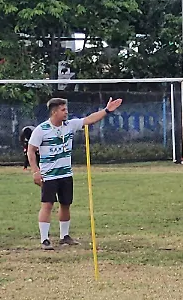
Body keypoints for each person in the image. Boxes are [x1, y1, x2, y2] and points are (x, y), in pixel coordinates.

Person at [27, 97, 122, 251]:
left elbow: (89, 120)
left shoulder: (69, 125)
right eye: (63, 110)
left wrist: (106, 110)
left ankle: (64, 236)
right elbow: (31, 150)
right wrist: (35, 171)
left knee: (66, 204)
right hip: (49, 175)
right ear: (54, 111)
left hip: (66, 174)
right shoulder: (41, 130)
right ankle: (44, 239)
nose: (66, 112)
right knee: (47, 205)